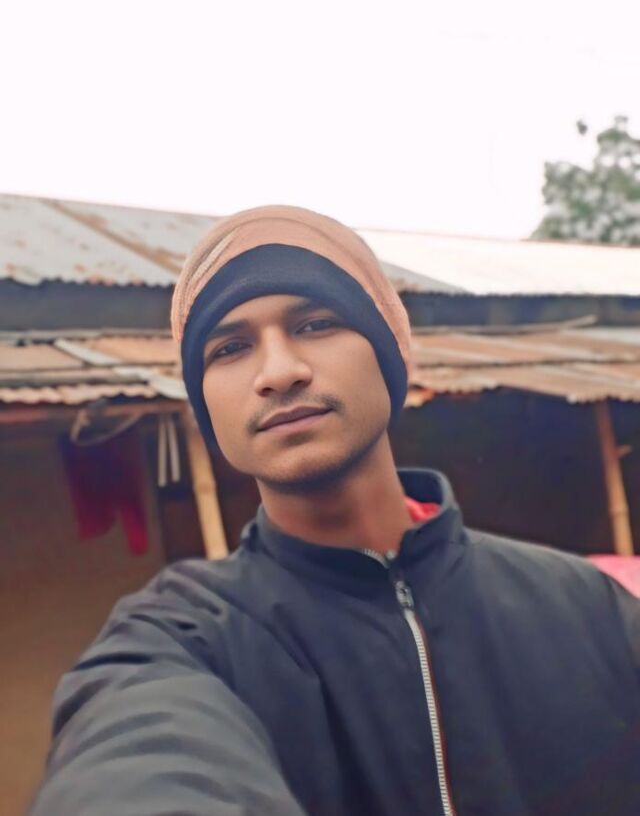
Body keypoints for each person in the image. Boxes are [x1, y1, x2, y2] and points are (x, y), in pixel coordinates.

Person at [31, 206, 640, 816]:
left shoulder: (591, 610)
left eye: (317, 324)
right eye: (231, 347)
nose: (278, 372)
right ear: (205, 403)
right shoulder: (178, 641)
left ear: (392, 355)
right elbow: (137, 765)